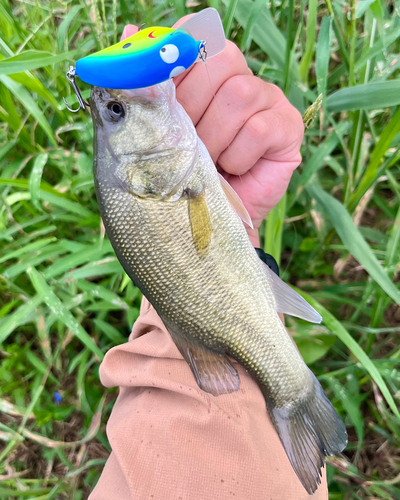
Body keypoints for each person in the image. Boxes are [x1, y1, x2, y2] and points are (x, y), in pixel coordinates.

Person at [89, 16, 326, 500]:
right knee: (290, 388)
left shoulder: (171, 179)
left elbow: (191, 262)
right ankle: (295, 394)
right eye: (116, 111)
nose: (119, 103)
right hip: (217, 292)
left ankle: (294, 394)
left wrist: (242, 222)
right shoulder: (169, 177)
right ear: (138, 174)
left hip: (212, 279)